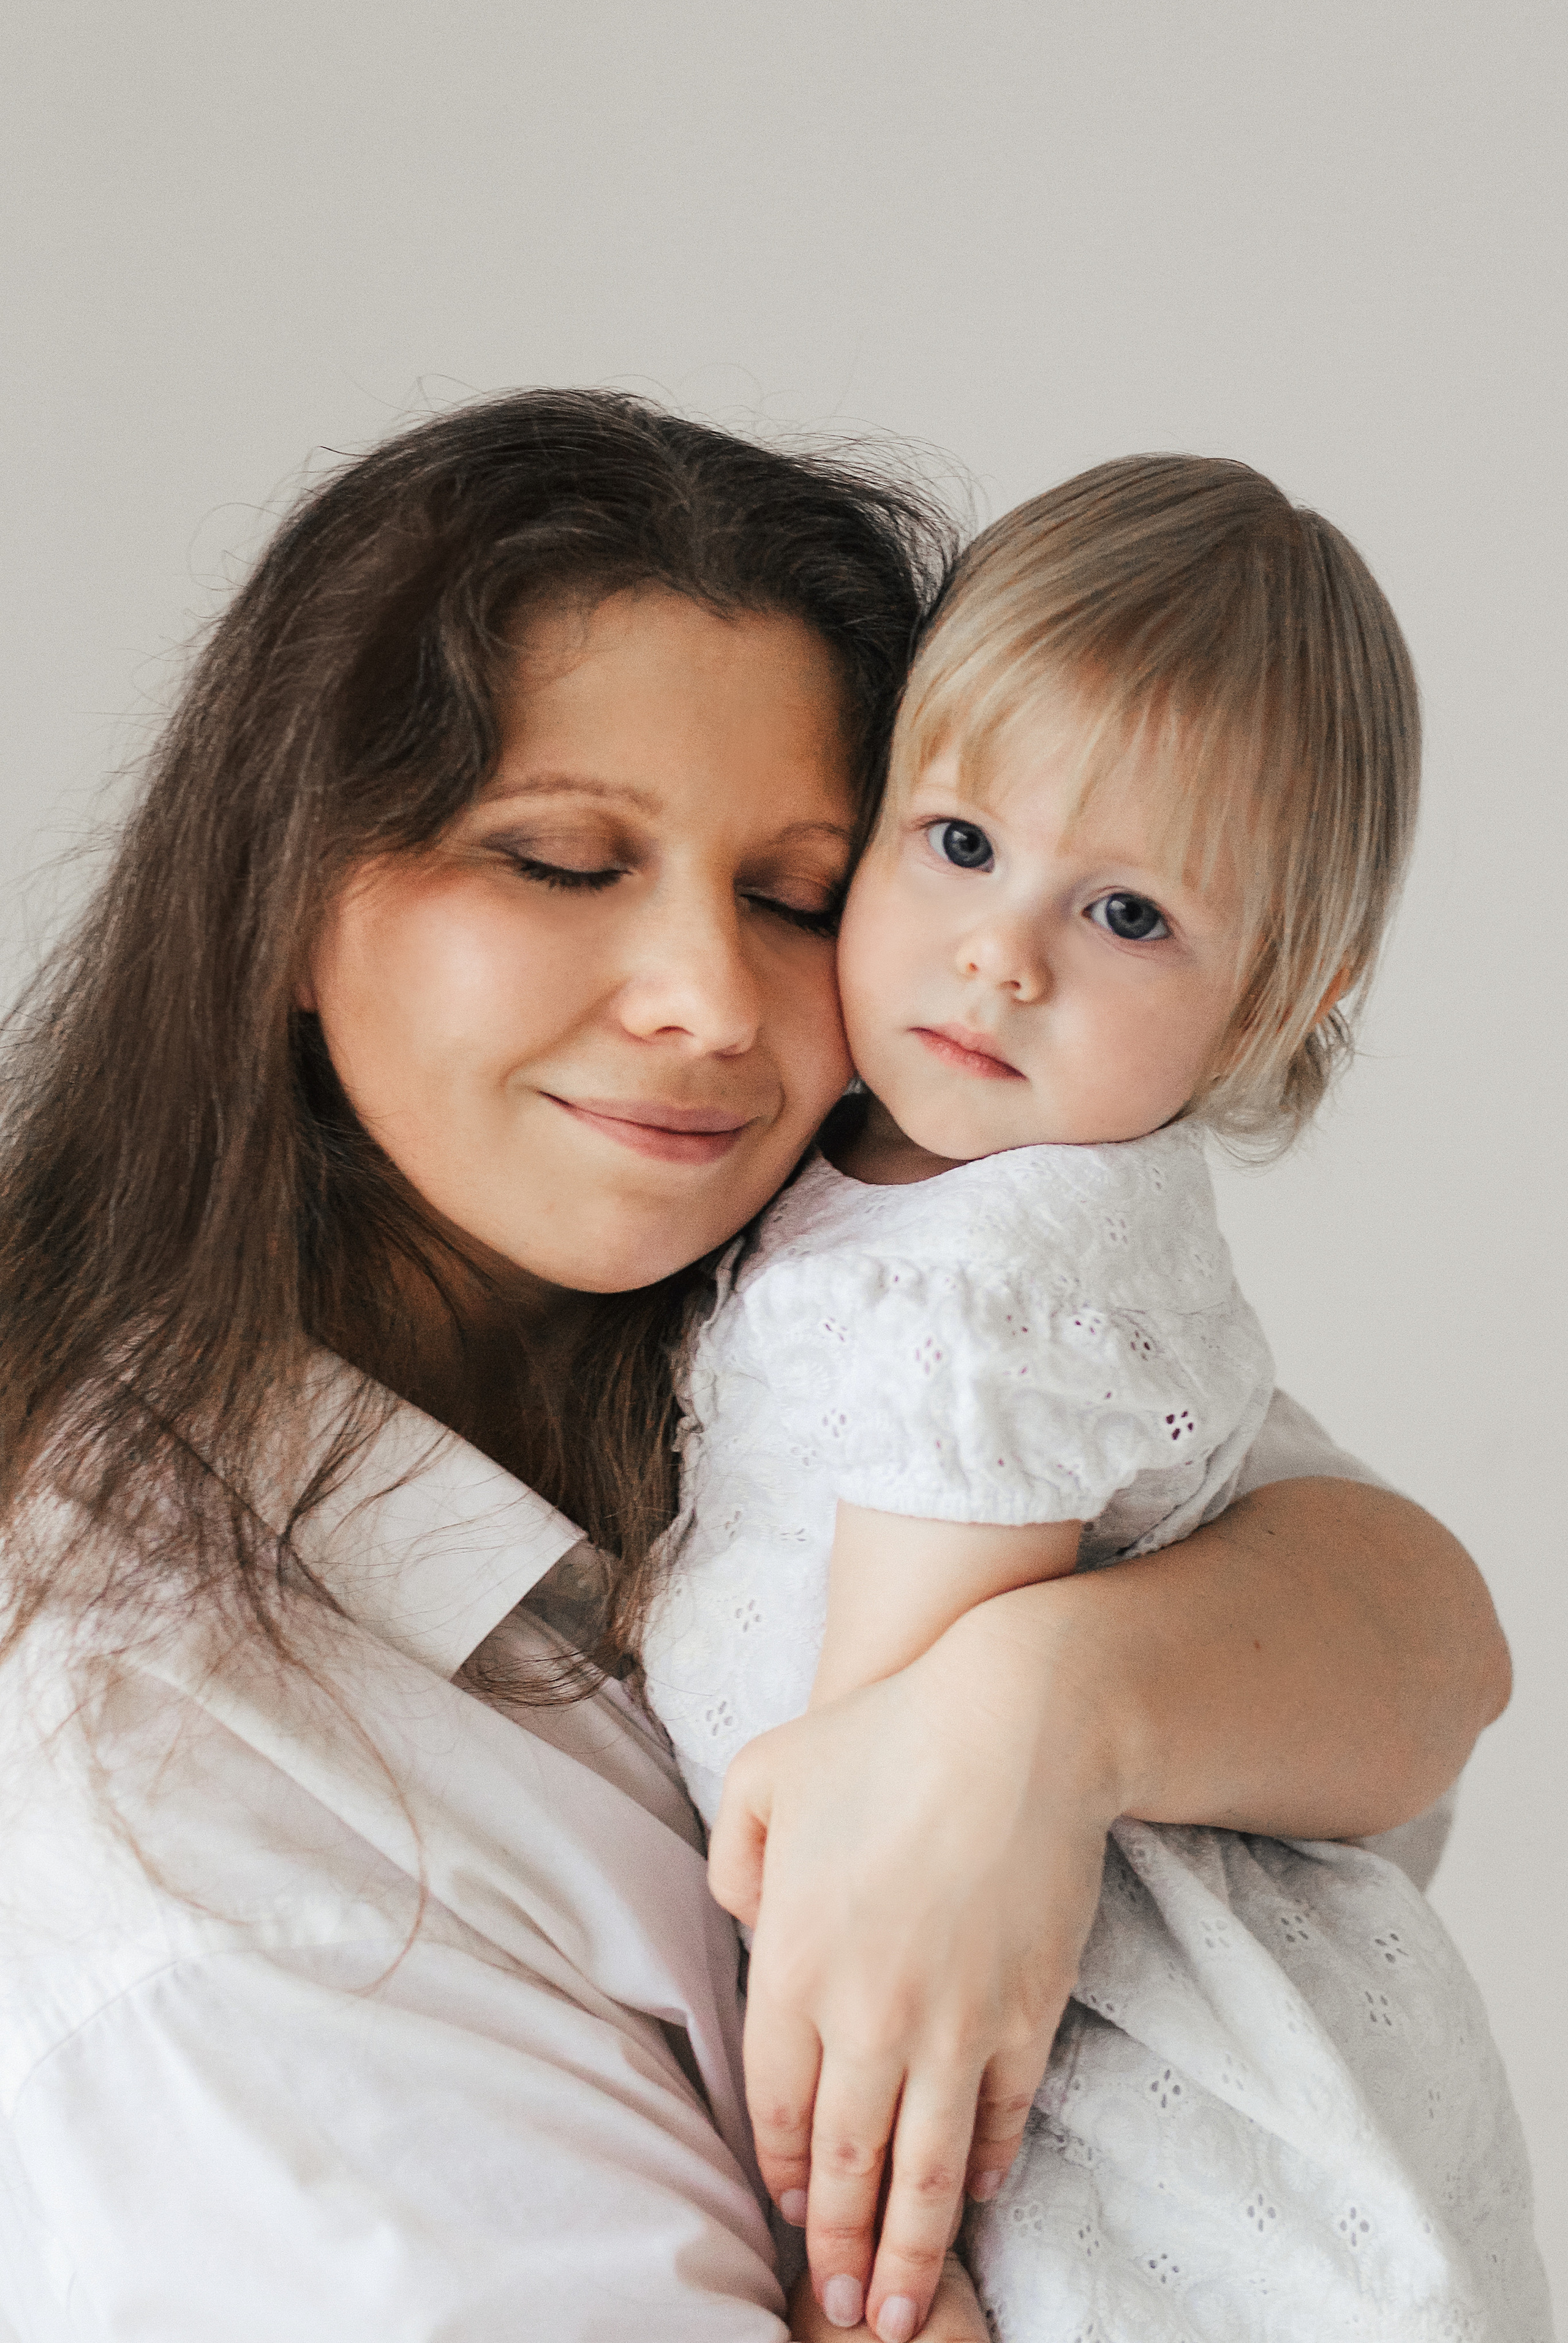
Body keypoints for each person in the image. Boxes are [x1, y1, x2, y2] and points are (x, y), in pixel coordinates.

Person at [0, 392, 1518, 2343]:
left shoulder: (877, 1269)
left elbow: (1428, 1636)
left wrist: (1046, 1709)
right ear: (285, 893)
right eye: (560, 859)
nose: (710, 1000)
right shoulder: (183, 1789)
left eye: (797, 892)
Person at [640, 458, 1550, 2337]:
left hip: (1107, 2150)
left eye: (1129, 915)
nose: (1005, 953)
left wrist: (875, 2285)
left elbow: (883, 1859)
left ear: (1286, 997)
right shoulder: (910, 1190)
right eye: (960, 844)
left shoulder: (996, 1282)